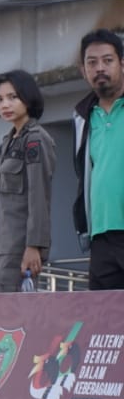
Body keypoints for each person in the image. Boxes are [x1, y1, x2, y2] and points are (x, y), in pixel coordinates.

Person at [0, 70, 55, 293]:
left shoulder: (35, 139)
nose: (5, 104)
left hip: (19, 250)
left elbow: (39, 196)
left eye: (12, 97)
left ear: (27, 96)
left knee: (15, 322)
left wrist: (34, 246)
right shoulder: (6, 143)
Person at [75, 29, 124, 289]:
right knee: (104, 324)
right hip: (101, 238)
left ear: (122, 63)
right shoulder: (83, 118)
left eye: (107, 60)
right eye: (91, 62)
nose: (99, 68)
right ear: (83, 70)